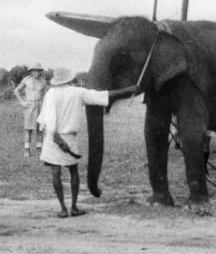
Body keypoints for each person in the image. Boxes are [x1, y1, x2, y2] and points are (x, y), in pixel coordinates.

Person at [36, 67, 137, 218]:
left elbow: (44, 119)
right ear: (70, 79)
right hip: (68, 137)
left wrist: (51, 133)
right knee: (73, 171)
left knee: (55, 172)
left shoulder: (50, 93)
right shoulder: (78, 92)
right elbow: (102, 96)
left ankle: (63, 208)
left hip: (52, 137)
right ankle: (74, 207)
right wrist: (129, 90)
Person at [14, 63, 47, 157]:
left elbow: (46, 95)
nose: (37, 72)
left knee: (40, 129)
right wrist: (22, 102)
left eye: (38, 70)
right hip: (30, 106)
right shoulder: (26, 80)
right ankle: (27, 150)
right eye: (35, 70)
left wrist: (45, 107)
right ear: (31, 71)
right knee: (28, 129)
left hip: (40, 106)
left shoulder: (43, 81)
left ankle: (39, 150)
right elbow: (16, 91)